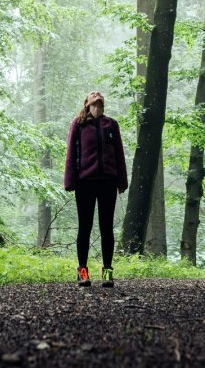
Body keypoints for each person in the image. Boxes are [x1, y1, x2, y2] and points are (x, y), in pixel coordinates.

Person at [64, 91, 128, 288]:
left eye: (100, 105)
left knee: (106, 228)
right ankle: (82, 271)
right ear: (87, 106)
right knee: (85, 227)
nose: (97, 108)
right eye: (94, 105)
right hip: (85, 183)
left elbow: (119, 153)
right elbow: (71, 153)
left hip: (108, 182)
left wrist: (122, 181)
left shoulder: (112, 125)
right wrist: (70, 181)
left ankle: (107, 271)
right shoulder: (79, 124)